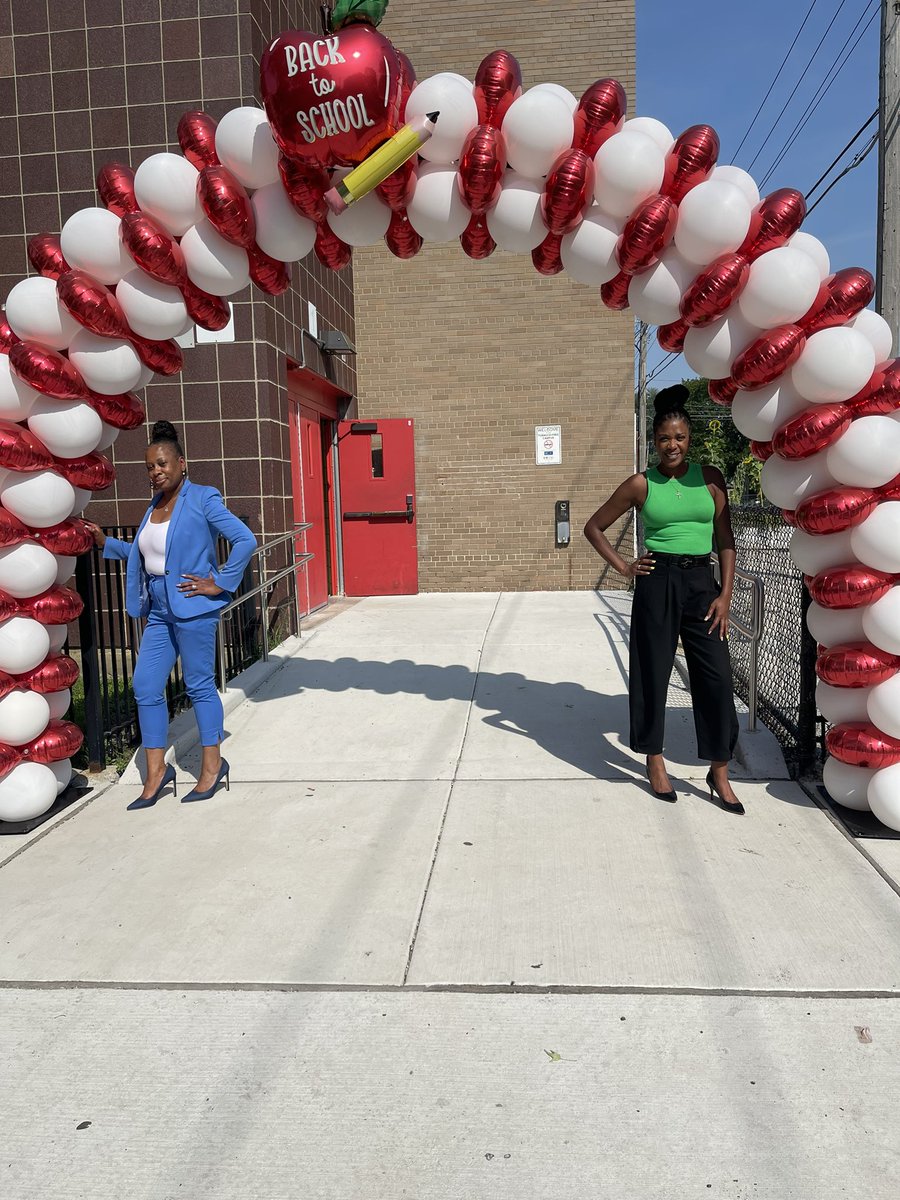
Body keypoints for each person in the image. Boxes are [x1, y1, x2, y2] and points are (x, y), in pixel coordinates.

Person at [583, 385, 743, 813]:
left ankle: (719, 771)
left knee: (716, 678)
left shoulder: (710, 479)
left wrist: (725, 595)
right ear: (654, 442)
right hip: (658, 582)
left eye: (680, 438)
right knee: (652, 674)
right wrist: (623, 566)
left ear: (690, 440)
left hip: (701, 584)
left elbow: (724, 540)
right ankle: (655, 760)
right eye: (664, 439)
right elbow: (594, 527)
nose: (672, 445)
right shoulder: (641, 483)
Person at [85, 420, 257, 810]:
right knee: (145, 685)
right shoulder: (154, 506)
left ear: (182, 463)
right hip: (161, 610)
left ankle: (213, 766)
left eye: (162, 463)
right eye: (149, 466)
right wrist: (106, 543)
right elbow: (148, 556)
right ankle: (157, 772)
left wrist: (220, 582)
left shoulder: (203, 498)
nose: (155, 471)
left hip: (193, 607)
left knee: (197, 685)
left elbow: (246, 540)